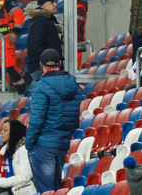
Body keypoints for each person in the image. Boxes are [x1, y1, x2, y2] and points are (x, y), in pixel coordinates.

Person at [26, 49, 82, 194]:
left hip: (44, 144)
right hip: (62, 143)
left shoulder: (41, 85)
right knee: (56, 189)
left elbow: (36, 119)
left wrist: (29, 144)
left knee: (46, 190)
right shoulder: (73, 85)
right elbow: (75, 118)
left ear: (41, 65)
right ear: (60, 63)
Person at [21, 0, 62, 88]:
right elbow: (36, 46)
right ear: (44, 6)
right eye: (52, 3)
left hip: (44, 67)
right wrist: (49, 63)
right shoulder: (41, 21)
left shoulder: (44, 21)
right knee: (46, 94)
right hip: (42, 68)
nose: (55, 4)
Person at [0, 118, 35, 195]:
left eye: (5, 130)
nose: (1, 132)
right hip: (12, 186)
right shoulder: (6, 151)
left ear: (14, 132)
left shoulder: (24, 150)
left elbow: (25, 177)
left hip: (23, 189)